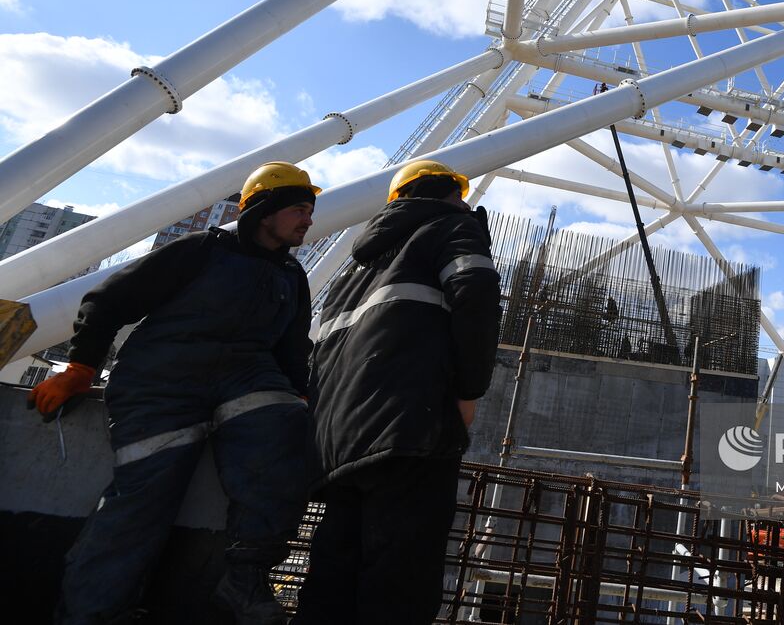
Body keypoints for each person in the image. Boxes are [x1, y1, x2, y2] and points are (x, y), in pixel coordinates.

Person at [29, 161, 321, 625]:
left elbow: (291, 351)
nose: (308, 220)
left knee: (286, 432)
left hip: (244, 381)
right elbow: (107, 301)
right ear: (265, 210)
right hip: (162, 383)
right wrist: (82, 367)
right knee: (142, 501)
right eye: (299, 209)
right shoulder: (202, 251)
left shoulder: (291, 276)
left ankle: (244, 577)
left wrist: (300, 399)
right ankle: (91, 613)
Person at [296, 159, 501, 625]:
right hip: (410, 431)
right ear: (451, 193)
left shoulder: (353, 272)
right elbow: (477, 292)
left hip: (337, 446)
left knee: (331, 580)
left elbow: (321, 356)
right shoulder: (452, 227)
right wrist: (469, 389)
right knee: (400, 584)